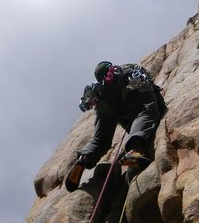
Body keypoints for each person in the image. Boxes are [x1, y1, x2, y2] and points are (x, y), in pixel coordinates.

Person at [65, 61, 166, 191]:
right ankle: (135, 150)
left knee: (100, 140)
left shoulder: (99, 88)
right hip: (128, 91)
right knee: (145, 113)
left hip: (106, 104)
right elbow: (148, 92)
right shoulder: (125, 72)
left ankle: (84, 159)